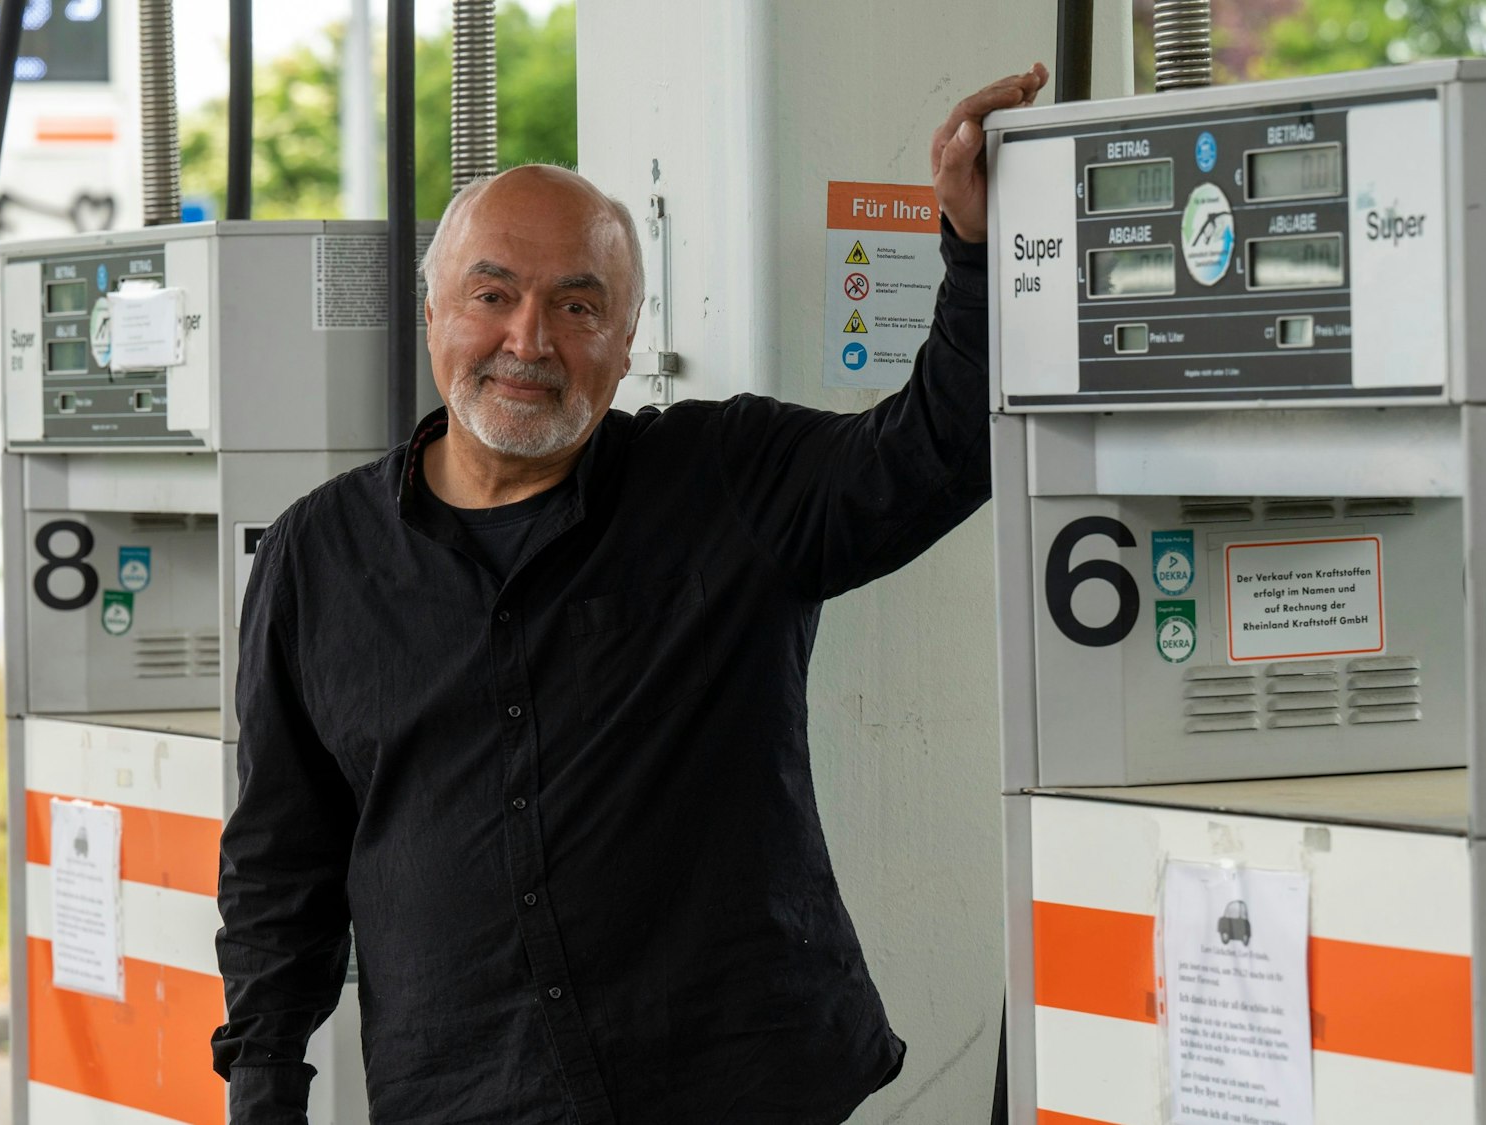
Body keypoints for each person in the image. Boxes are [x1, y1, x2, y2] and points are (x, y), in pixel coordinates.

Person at [213, 64, 1051, 1125]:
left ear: (623, 340)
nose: (528, 341)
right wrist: (264, 1084)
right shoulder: (316, 555)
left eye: (576, 304)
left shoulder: (727, 481)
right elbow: (280, 858)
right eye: (492, 295)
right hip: (466, 1100)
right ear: (433, 314)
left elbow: (937, 446)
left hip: (734, 1092)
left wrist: (975, 249)